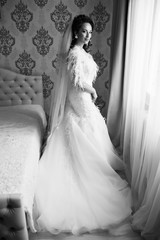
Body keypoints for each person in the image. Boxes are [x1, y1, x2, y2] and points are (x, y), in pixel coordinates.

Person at [33, 14, 132, 236]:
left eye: (90, 32)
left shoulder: (79, 53)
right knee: (86, 127)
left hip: (80, 100)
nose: (88, 35)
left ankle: (94, 166)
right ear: (76, 32)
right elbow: (77, 83)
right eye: (84, 31)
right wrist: (93, 90)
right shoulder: (75, 54)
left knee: (91, 130)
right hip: (80, 100)